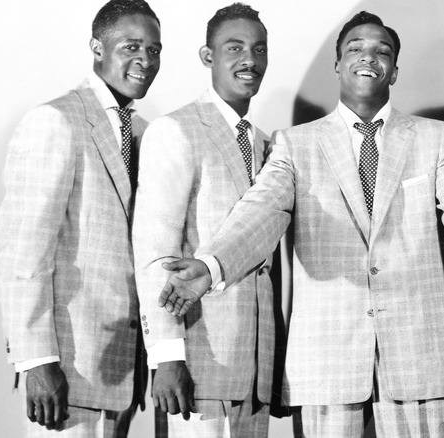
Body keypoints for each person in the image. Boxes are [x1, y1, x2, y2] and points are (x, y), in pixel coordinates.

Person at [156, 11, 444, 438]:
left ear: (394, 70)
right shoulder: (296, 144)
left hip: (422, 360)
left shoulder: (435, 136)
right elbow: (261, 211)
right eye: (356, 48)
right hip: (327, 363)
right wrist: (212, 265)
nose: (369, 56)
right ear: (338, 64)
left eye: (382, 51)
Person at [0, 0, 161, 436]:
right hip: (65, 368)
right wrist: (37, 360)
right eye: (131, 46)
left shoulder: (146, 134)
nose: (145, 60)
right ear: (97, 47)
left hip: (123, 368)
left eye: (154, 49)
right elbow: (23, 249)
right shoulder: (55, 121)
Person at [132, 3, 275, 437]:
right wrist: (168, 356)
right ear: (207, 56)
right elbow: (155, 250)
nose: (249, 59)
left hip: (256, 370)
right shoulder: (175, 130)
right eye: (235, 47)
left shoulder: (268, 144)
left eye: (259, 49)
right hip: (196, 362)